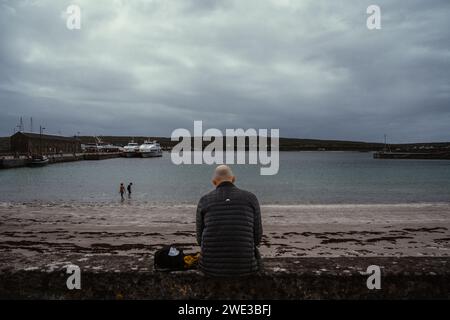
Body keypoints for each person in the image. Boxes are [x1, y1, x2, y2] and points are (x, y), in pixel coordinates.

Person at [196, 165, 263, 277]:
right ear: (233, 179)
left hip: (210, 268)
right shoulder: (251, 198)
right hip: (245, 267)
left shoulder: (204, 200)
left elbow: (199, 240)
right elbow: (257, 238)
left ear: (214, 182)